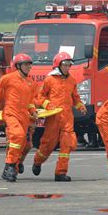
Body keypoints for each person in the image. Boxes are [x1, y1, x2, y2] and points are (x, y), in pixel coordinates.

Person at [32, 52, 87, 182]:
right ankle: (37, 162)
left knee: (67, 145)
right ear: (58, 65)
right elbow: (40, 97)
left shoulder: (72, 80)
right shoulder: (49, 80)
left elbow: (75, 98)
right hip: (53, 119)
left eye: (69, 65)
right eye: (65, 65)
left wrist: (80, 106)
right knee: (47, 145)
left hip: (67, 118)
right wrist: (48, 104)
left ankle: (60, 173)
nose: (68, 67)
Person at [0, 53, 38, 182]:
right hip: (11, 113)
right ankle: (10, 166)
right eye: (26, 64)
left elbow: (31, 101)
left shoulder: (31, 82)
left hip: (24, 116)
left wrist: (33, 111)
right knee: (18, 135)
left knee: (25, 144)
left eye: (29, 64)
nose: (29, 67)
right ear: (18, 66)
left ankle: (11, 168)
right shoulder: (8, 78)